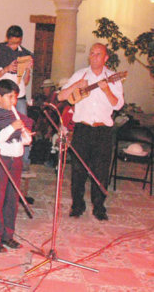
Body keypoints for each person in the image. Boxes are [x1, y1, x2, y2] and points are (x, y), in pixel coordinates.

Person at [57, 43, 124, 221]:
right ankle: (77, 205)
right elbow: (61, 96)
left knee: (101, 169)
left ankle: (99, 206)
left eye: (98, 54)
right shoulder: (80, 74)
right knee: (78, 169)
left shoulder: (113, 78)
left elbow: (118, 104)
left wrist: (106, 89)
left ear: (106, 58)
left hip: (103, 129)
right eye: (92, 54)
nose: (94, 57)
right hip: (83, 128)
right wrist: (77, 85)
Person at [0, 79, 33, 252]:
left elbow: (26, 140)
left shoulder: (15, 115)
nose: (14, 102)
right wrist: (12, 127)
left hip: (15, 159)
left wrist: (25, 132)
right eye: (10, 97)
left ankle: (7, 235)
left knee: (11, 200)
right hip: (0, 159)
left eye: (16, 98)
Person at [0, 25, 33, 170]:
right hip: (3, 97)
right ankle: (0, 156)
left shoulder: (25, 54)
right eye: (12, 43)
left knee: (23, 126)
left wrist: (27, 69)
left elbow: (26, 81)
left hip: (19, 95)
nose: (15, 46)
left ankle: (24, 160)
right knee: (3, 125)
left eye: (18, 43)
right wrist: (6, 69)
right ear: (7, 39)